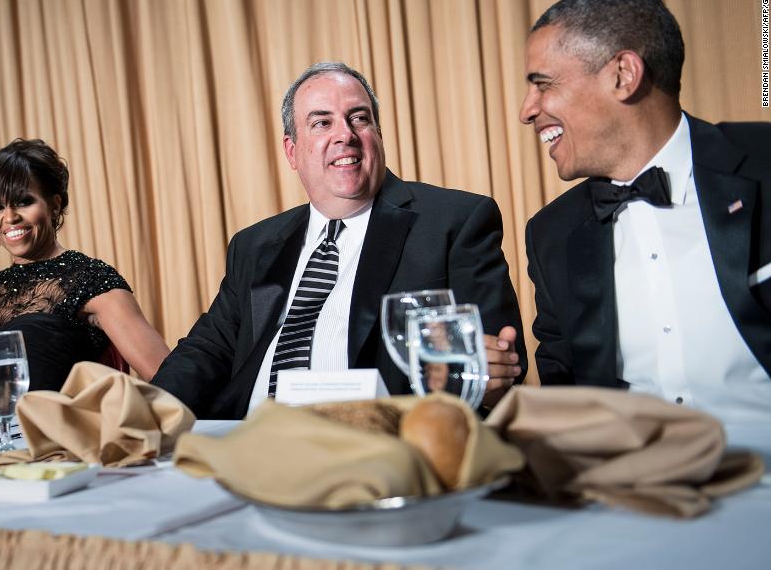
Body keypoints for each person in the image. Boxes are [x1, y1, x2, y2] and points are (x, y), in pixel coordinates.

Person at [151, 62, 527, 419]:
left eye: (359, 118)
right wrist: (149, 411)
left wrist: (487, 379)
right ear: (292, 151)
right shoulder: (254, 244)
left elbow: (493, 363)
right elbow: (208, 349)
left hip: (375, 442)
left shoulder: (454, 221)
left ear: (377, 134)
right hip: (250, 436)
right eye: (321, 123)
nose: (344, 135)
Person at [518, 0, 771, 423]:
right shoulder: (551, 234)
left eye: (543, 84)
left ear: (623, 75)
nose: (527, 110)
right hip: (636, 486)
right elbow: (567, 400)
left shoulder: (765, 164)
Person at [0, 139, 170, 390]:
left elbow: (165, 375)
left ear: (55, 204)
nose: (9, 218)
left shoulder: (89, 278)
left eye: (23, 202)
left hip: (55, 428)